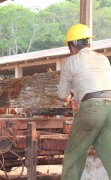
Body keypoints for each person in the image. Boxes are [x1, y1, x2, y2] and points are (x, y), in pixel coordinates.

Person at [58, 23, 111, 179]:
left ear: (73, 45)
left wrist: (70, 97)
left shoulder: (70, 61)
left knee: (74, 154)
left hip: (92, 110)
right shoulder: (102, 58)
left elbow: (62, 94)